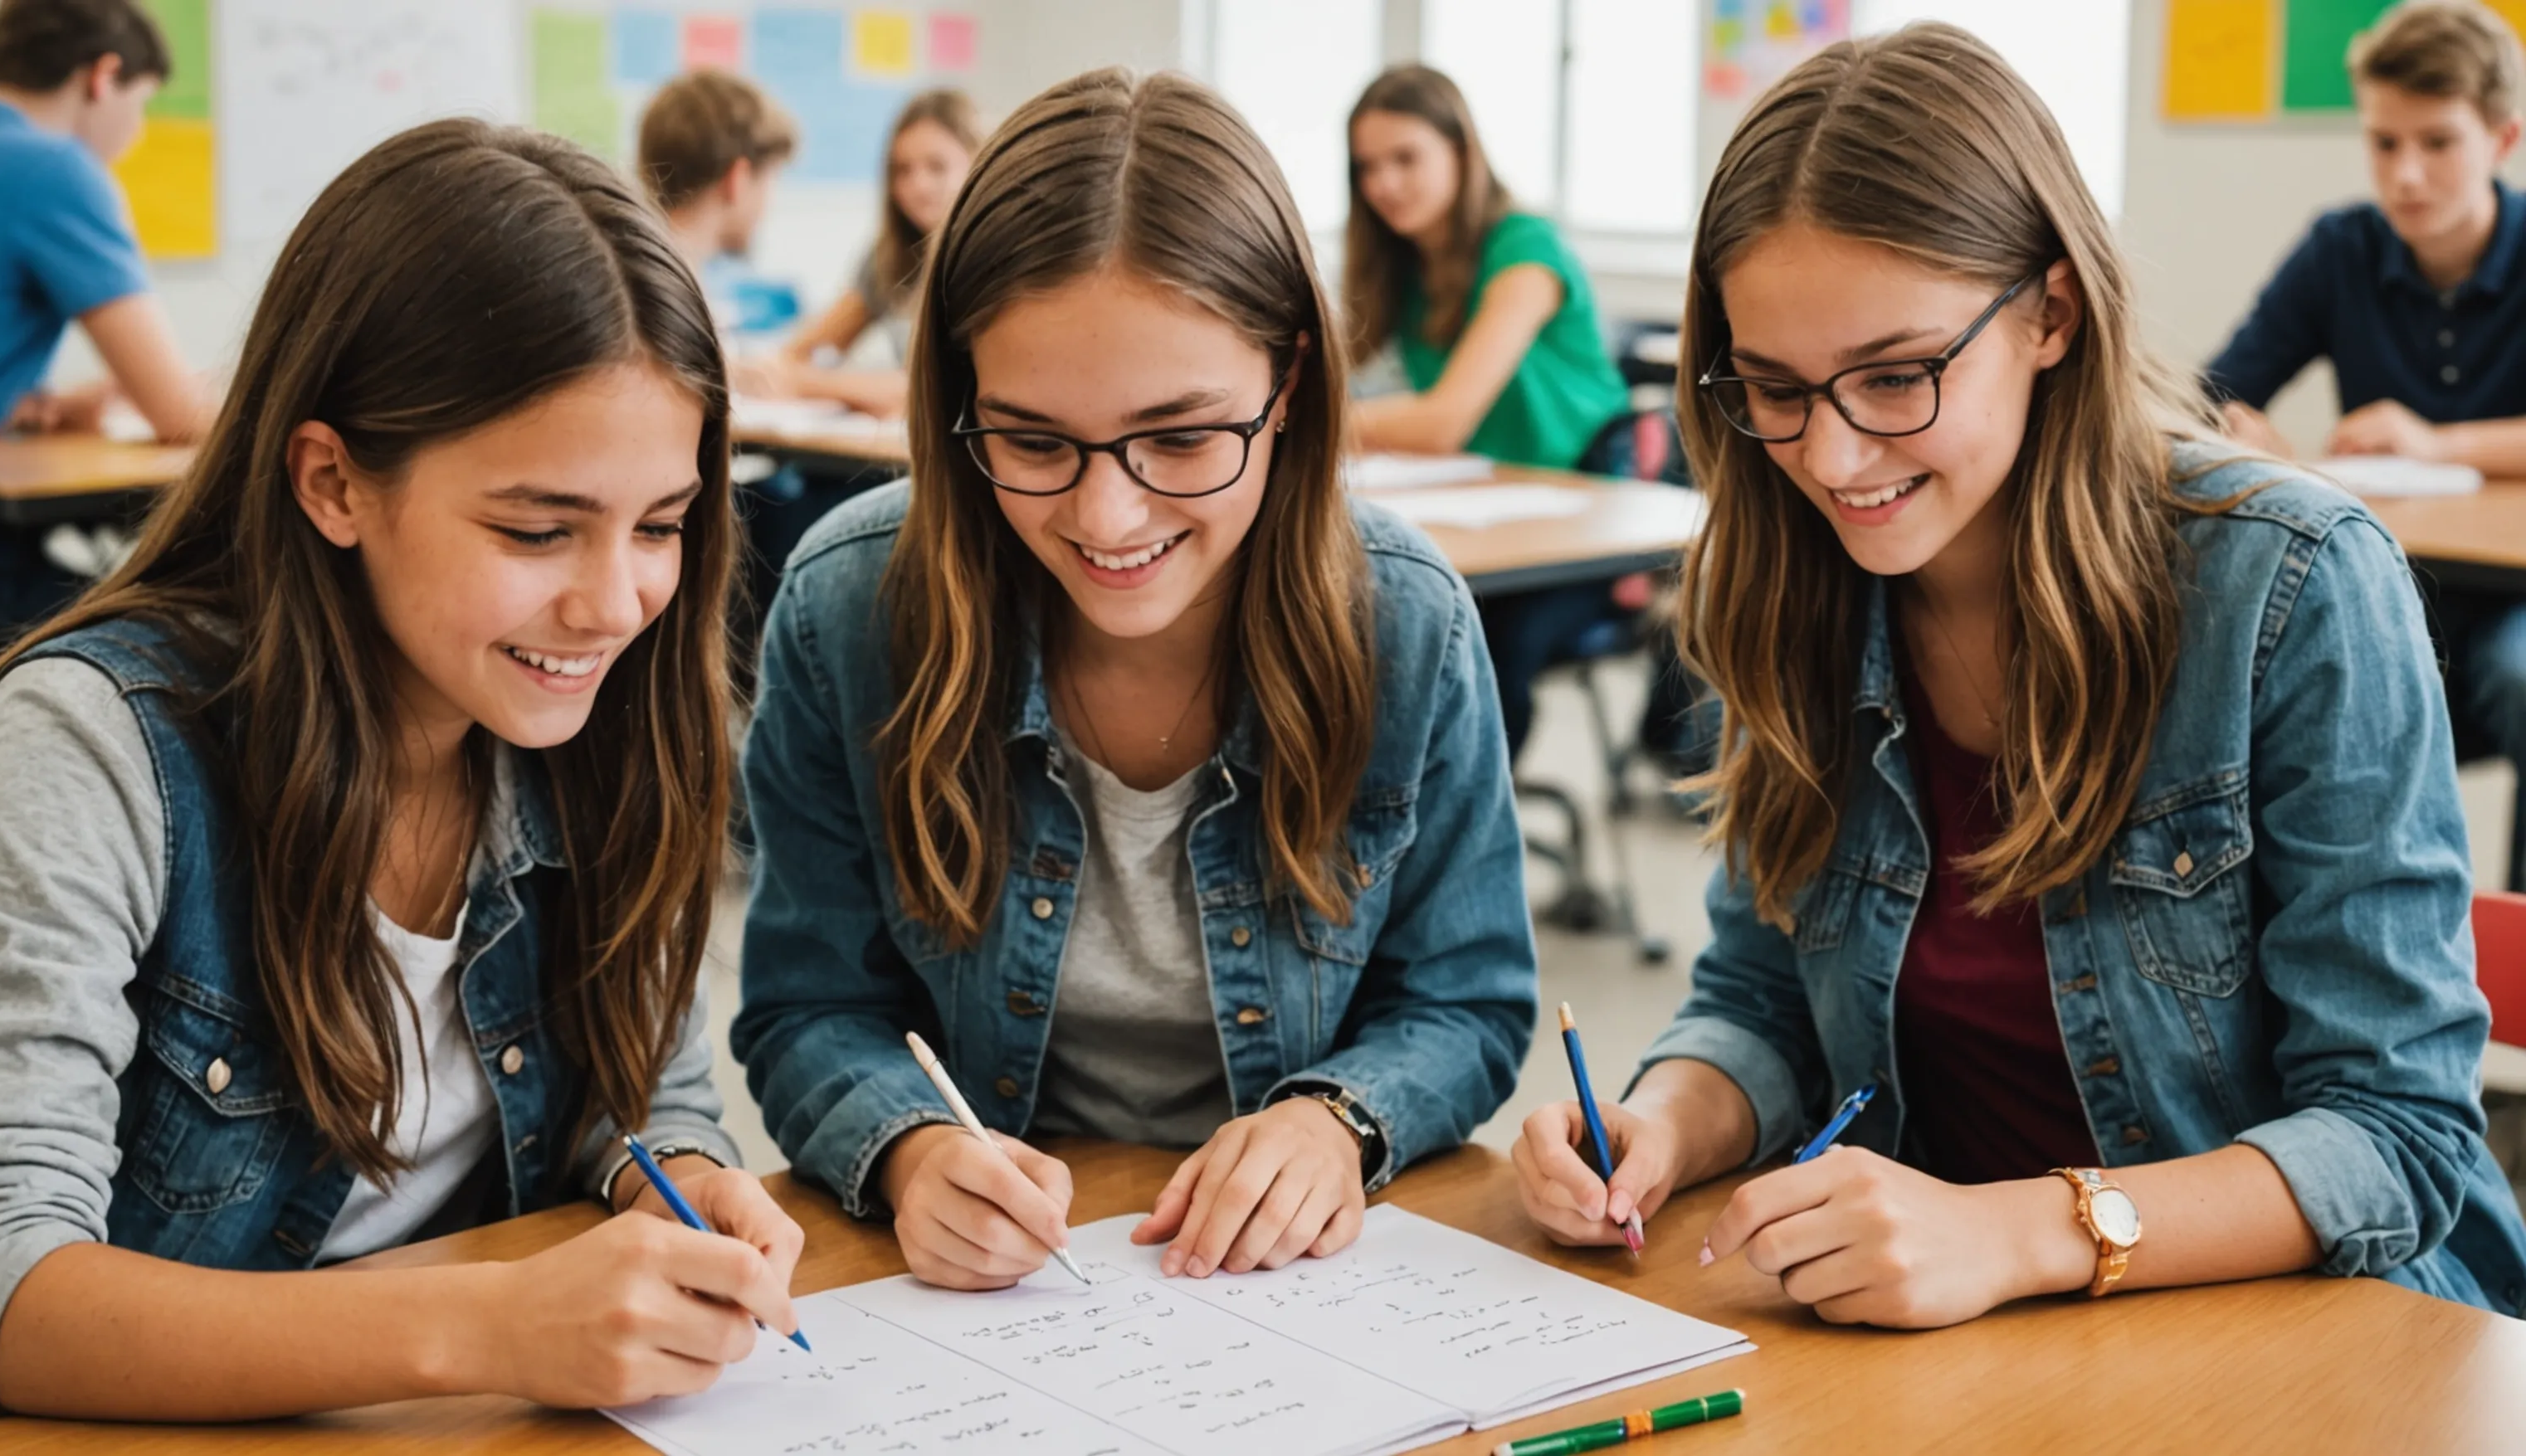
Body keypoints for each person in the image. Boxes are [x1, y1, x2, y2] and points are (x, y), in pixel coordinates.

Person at [1512, 23, 2526, 1325]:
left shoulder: (2291, 585)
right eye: (1772, 390)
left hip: (2314, 1330)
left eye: (1895, 376)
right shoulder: (1784, 585)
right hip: (1958, 1333)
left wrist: (2019, 1229)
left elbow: (2397, 1133)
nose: (1828, 458)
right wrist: (1663, 1118)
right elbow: (1763, 1000)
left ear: (2050, 312)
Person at [0, 118, 804, 1420]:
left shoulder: (596, 716)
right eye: (538, 528)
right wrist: (484, 1325)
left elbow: (641, 1091)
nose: (617, 601)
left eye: (662, 525)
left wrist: (685, 1178)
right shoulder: (92, 747)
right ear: (332, 483)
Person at [734, 68, 1538, 1293]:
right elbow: (808, 1005)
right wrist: (906, 1146)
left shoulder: (1404, 620)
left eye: (1182, 436)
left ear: (1292, 387)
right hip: (997, 1296)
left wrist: (1339, 1119)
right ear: (959, 403)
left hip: (1296, 1284)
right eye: (1034, 440)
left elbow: (1469, 1002)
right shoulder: (851, 611)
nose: (1109, 515)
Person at [2207, 0, 2526, 891]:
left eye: (2437, 142)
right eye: (2385, 143)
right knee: (2268, 665)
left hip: (2510, 606)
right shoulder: (2340, 247)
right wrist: (2245, 434)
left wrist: (2435, 442)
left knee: (2522, 671)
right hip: (2386, 583)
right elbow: (2210, 393)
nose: (2408, 174)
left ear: (2502, 140)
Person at [1341, 65, 1646, 758]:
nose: (1384, 183)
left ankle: (1465, 836)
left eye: (1405, 158)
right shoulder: (1406, 274)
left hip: (1582, 524)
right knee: (1384, 616)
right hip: (1486, 504)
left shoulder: (1524, 248)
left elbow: (1441, 420)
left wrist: (1316, 425)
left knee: (1472, 640)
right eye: (1367, 167)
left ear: (1461, 151)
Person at [0, 0, 211, 647]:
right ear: (101, 77)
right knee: (168, 629)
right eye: (141, 105)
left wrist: (24, 403)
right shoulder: (53, 167)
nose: (135, 133)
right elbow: (180, 414)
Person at [742, 88, 984, 417]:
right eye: (902, 170)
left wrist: (802, 382)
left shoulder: (988, 260)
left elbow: (931, 391)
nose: (918, 185)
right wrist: (769, 371)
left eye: (937, 167)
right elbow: (802, 349)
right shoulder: (893, 256)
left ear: (978, 165)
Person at [635, 69, 797, 282]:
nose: (770, 202)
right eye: (772, 178)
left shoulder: (634, 264)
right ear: (738, 179)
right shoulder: (676, 292)